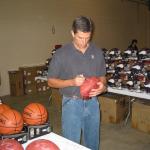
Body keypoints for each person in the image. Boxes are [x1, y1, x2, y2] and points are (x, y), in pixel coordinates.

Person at [47, 16, 107, 150]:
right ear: (73, 33)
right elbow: (51, 82)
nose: (84, 41)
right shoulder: (61, 54)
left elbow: (102, 76)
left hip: (92, 104)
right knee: (70, 144)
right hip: (71, 104)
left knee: (92, 144)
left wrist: (102, 87)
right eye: (80, 37)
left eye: (87, 37)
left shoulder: (97, 52)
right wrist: (72, 82)